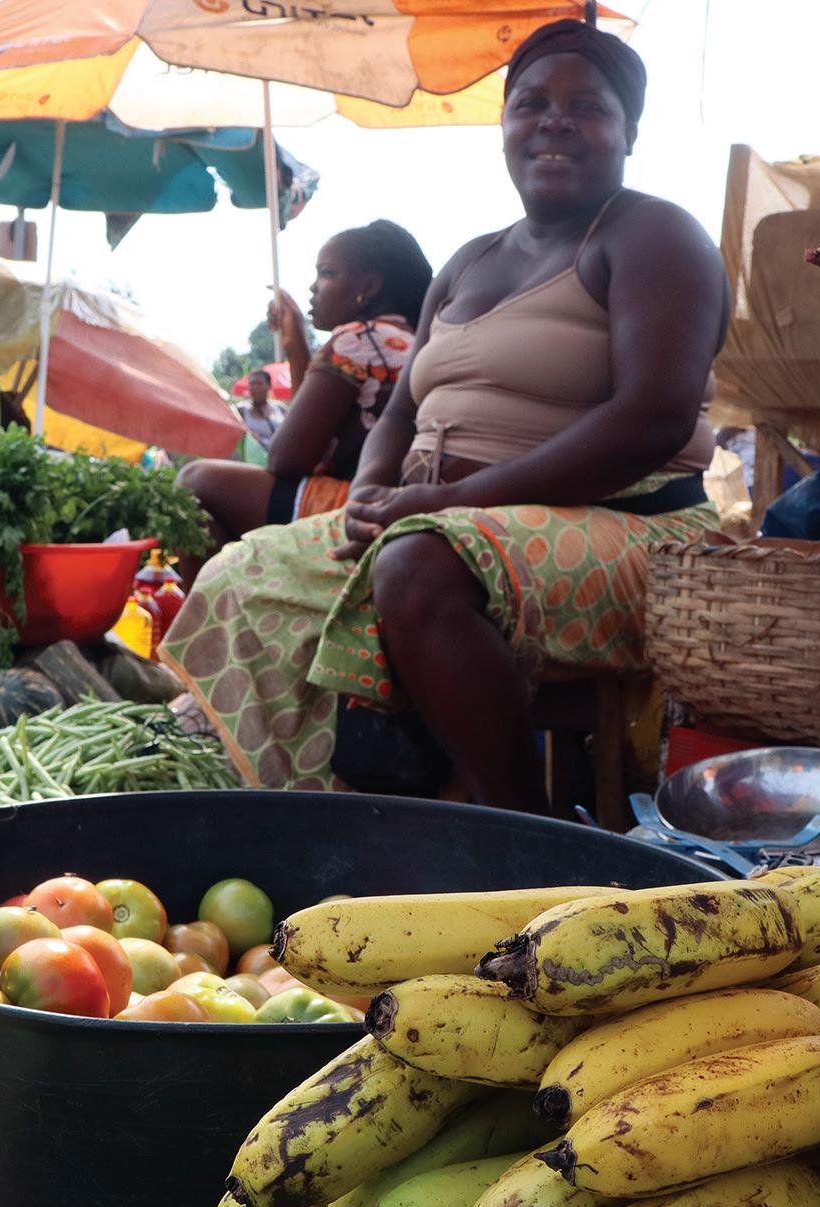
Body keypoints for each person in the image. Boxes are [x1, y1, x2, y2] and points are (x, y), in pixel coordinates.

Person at [162, 20, 722, 810]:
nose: (554, 121)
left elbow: (652, 419)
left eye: (588, 107)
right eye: (530, 103)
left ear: (628, 131)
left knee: (417, 565)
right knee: (241, 573)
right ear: (505, 126)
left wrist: (448, 501)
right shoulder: (468, 259)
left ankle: (518, 825)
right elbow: (400, 411)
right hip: (444, 517)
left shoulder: (653, 234)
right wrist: (372, 488)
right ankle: (335, 813)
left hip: (631, 524)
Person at [179, 222, 432, 565]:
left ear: (368, 287)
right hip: (397, 502)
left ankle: (219, 598)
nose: (314, 287)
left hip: (355, 508)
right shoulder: (412, 339)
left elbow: (285, 459)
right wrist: (296, 345)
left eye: (327, 273)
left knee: (194, 483)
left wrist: (297, 343)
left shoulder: (359, 339)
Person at [238, 370, 284, 454]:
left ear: (269, 386)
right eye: (252, 384)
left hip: (280, 455)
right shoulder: (241, 410)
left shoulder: (280, 408)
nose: (255, 387)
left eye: (259, 384)